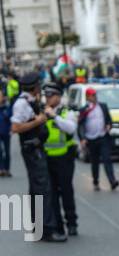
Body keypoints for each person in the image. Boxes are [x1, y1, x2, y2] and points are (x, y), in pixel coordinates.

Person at [10, 71, 66, 241]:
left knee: (37, 188)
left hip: (36, 149)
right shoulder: (21, 104)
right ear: (34, 87)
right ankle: (47, 230)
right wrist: (38, 121)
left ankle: (38, 226)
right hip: (32, 151)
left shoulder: (29, 101)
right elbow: (16, 127)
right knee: (43, 189)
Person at [43, 83, 79, 236]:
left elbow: (71, 128)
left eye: (50, 96)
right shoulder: (42, 112)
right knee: (52, 193)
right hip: (47, 159)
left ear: (58, 97)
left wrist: (54, 117)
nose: (48, 99)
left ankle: (72, 223)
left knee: (66, 191)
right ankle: (58, 224)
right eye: (46, 96)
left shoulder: (67, 112)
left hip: (64, 159)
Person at [78, 86, 118, 191]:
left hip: (103, 137)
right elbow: (80, 125)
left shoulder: (103, 106)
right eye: (92, 95)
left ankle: (112, 181)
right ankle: (95, 181)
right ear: (87, 97)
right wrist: (82, 138)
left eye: (95, 95)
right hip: (91, 139)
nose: (94, 97)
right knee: (94, 162)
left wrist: (109, 125)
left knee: (107, 159)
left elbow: (109, 120)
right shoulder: (84, 109)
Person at [0, 88, 12, 176]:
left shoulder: (7, 107)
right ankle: (1, 169)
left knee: (7, 151)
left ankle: (7, 169)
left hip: (6, 132)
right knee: (0, 151)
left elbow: (9, 116)